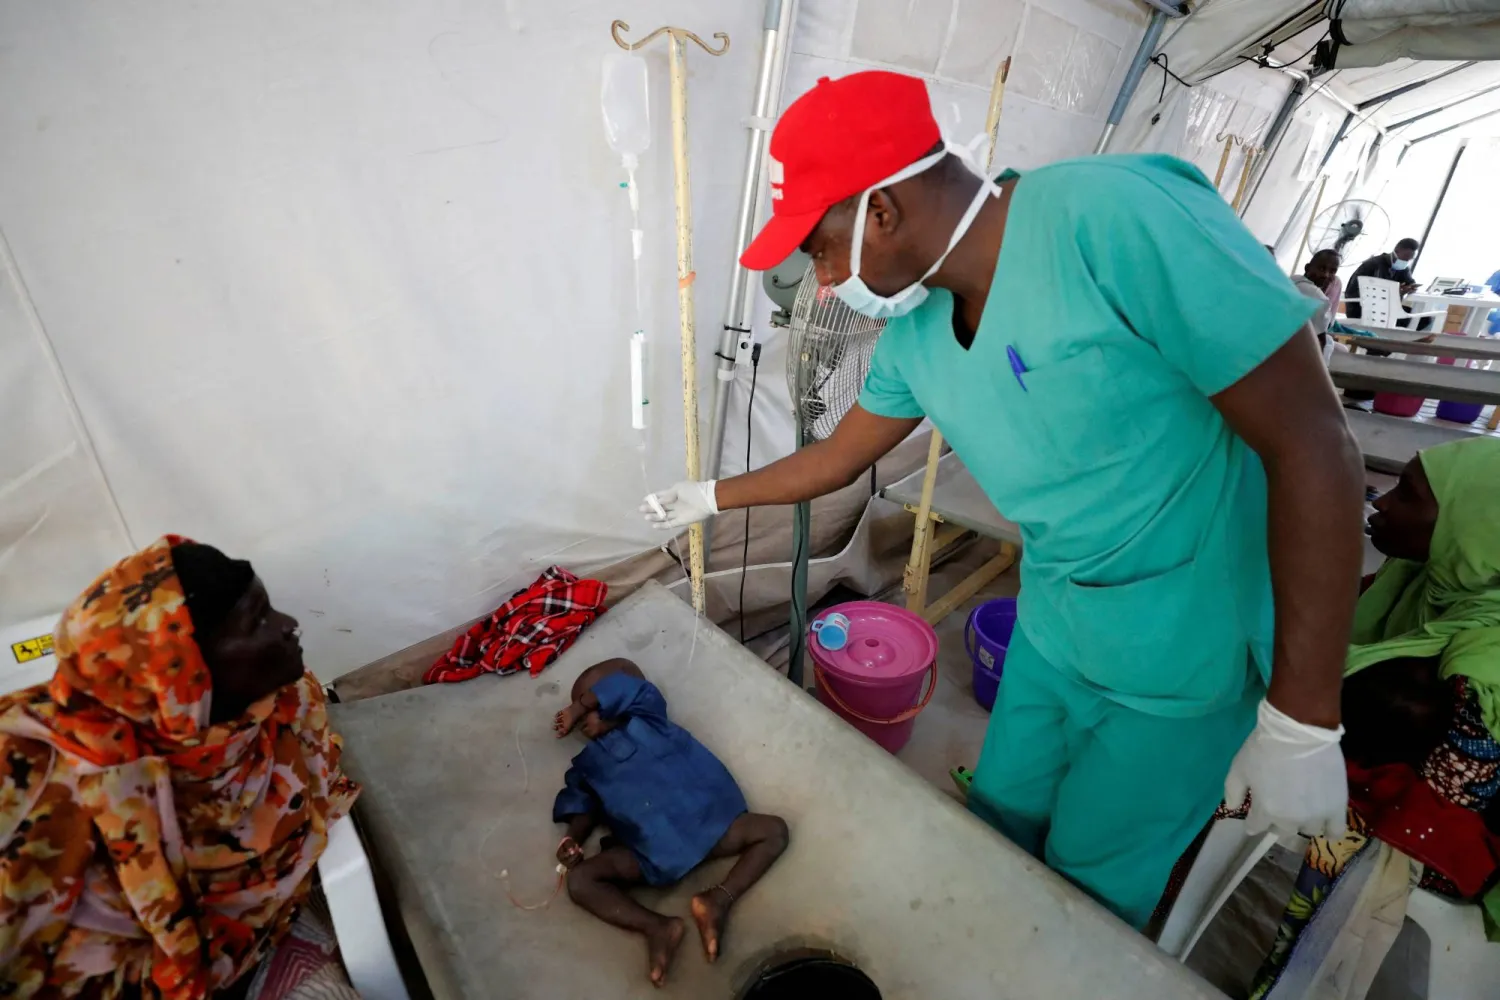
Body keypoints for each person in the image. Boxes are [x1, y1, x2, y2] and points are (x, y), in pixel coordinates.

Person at [642, 70, 1365, 930]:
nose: (824, 282)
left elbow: (1313, 444)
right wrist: (709, 494)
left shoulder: (1111, 218)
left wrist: (1303, 719)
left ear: (882, 211)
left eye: (822, 250)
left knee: (1092, 884)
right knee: (996, 823)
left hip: (1184, 649)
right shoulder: (915, 335)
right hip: (1056, 626)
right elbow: (837, 457)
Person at [0, 536, 358, 998]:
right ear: (180, 678)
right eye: (258, 621)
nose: (288, 625)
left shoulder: (284, 707)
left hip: (248, 947)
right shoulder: (39, 787)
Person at [1243, 438, 1500, 993]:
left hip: (1460, 832)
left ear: (1472, 531)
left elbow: (1459, 793)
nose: (1381, 503)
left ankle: (1290, 979)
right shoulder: (1422, 579)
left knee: (1329, 832)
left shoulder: (1489, 655)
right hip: (1394, 769)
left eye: (1407, 496)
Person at [552, 658, 788, 986]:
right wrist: (572, 839)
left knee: (774, 831)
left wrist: (580, 706)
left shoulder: (648, 715)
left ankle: (718, 899)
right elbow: (582, 805)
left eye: (592, 701)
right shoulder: (586, 765)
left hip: (711, 825)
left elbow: (630, 689)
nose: (582, 715)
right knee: (581, 881)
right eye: (581, 710)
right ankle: (657, 927)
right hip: (651, 852)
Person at [1346, 237, 1421, 319]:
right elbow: (1352, 290)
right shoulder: (1373, 264)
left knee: (1423, 319)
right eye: (1406, 256)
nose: (1406, 261)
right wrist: (1395, 293)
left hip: (1386, 307)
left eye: (1410, 259)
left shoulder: (1403, 268)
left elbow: (1410, 282)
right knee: (1411, 319)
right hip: (1362, 307)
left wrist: (1410, 288)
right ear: (1397, 250)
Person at [1292, 249, 1342, 344]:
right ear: (1307, 268)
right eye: (1322, 269)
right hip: (1296, 344)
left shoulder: (1293, 280)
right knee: (1333, 345)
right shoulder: (1319, 298)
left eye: (1332, 272)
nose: (1326, 275)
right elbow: (1320, 339)